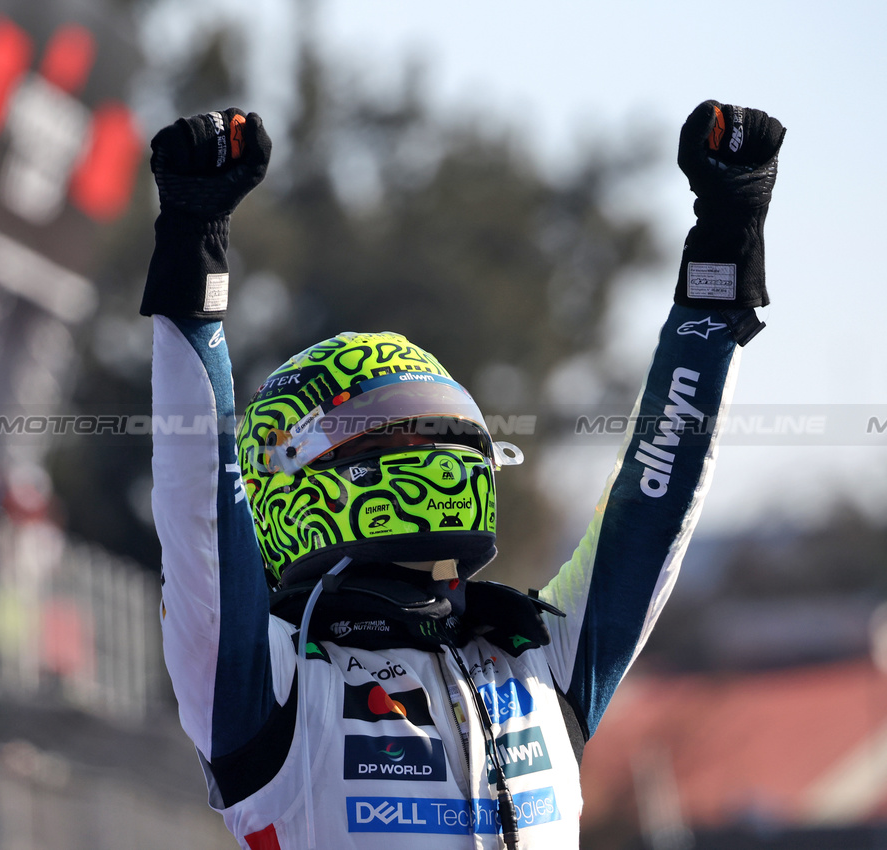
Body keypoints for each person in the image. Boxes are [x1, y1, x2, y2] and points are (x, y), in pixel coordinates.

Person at [141, 100, 784, 850]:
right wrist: (195, 242)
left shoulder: (537, 654)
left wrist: (725, 235)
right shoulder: (271, 685)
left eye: (447, 432)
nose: (439, 458)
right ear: (293, 478)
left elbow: (658, 491)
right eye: (396, 435)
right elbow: (199, 509)